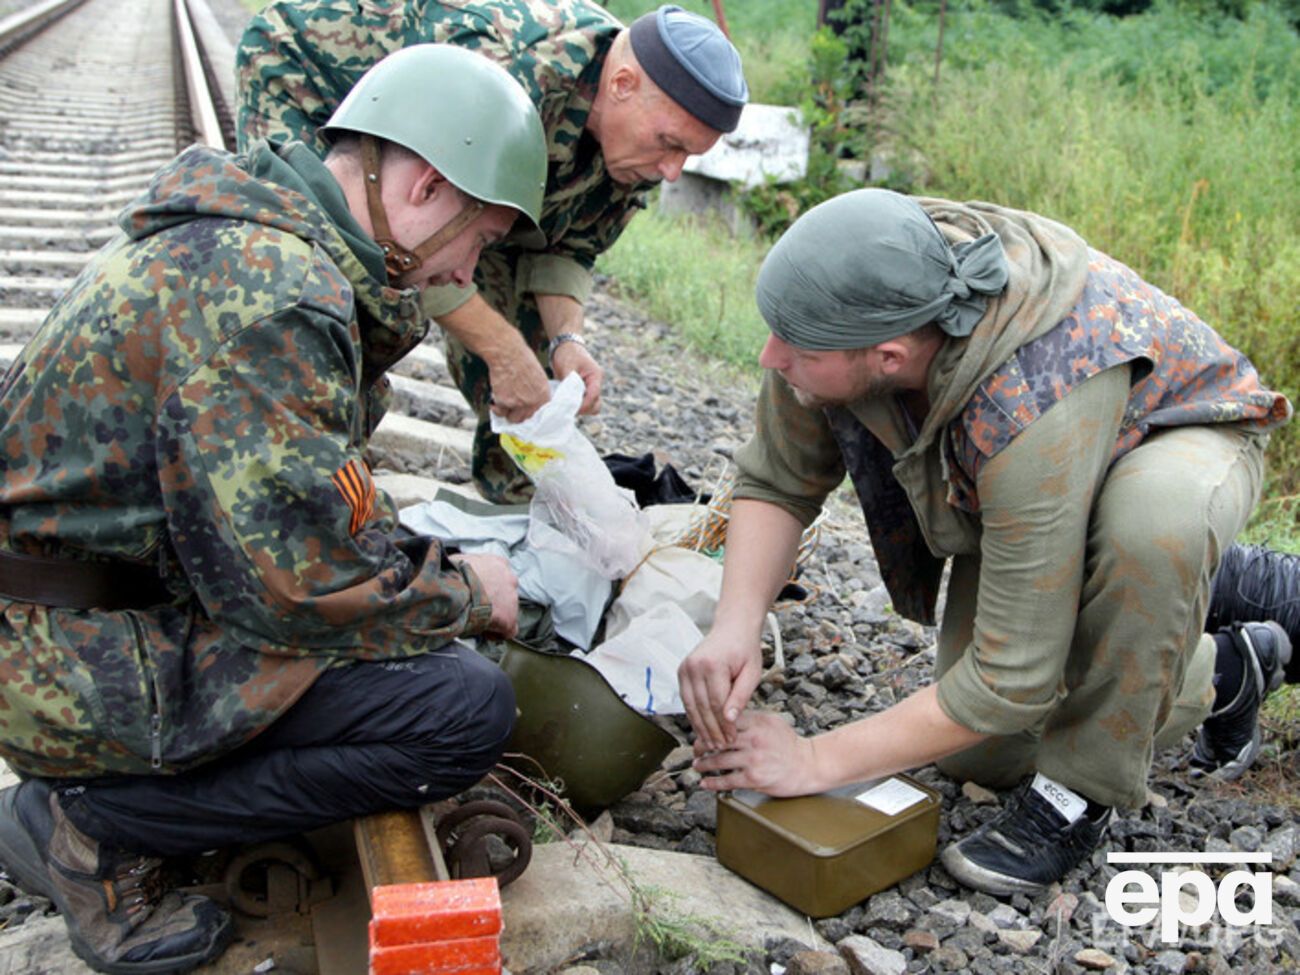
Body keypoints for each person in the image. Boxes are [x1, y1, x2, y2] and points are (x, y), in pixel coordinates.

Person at [0, 45, 547, 974]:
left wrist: (421, 575)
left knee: (424, 652)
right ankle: (89, 821)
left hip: (90, 618)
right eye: (483, 239)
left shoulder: (260, 244)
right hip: (66, 657)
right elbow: (296, 589)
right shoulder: (276, 298)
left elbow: (295, 516)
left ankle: (104, 800)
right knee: (462, 709)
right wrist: (465, 595)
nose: (468, 266)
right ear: (424, 187)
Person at [679, 188, 1293, 897]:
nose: (769, 354)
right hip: (1023, 477)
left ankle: (1080, 792)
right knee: (988, 754)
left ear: (887, 356)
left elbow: (1009, 677)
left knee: (1149, 532)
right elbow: (778, 480)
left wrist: (815, 761)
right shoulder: (845, 305)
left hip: (1171, 432)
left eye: (792, 346)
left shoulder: (1021, 400)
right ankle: (1228, 670)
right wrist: (735, 629)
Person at [236, 0, 749, 502]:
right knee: (348, 269)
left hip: (456, 181)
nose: (673, 171)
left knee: (531, 345)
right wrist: (502, 352)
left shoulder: (640, 149)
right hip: (310, 76)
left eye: (687, 154)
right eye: (671, 144)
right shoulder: (512, 79)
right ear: (621, 85)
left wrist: (566, 340)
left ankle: (519, 496)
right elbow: (422, 229)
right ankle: (306, 463)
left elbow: (570, 244)